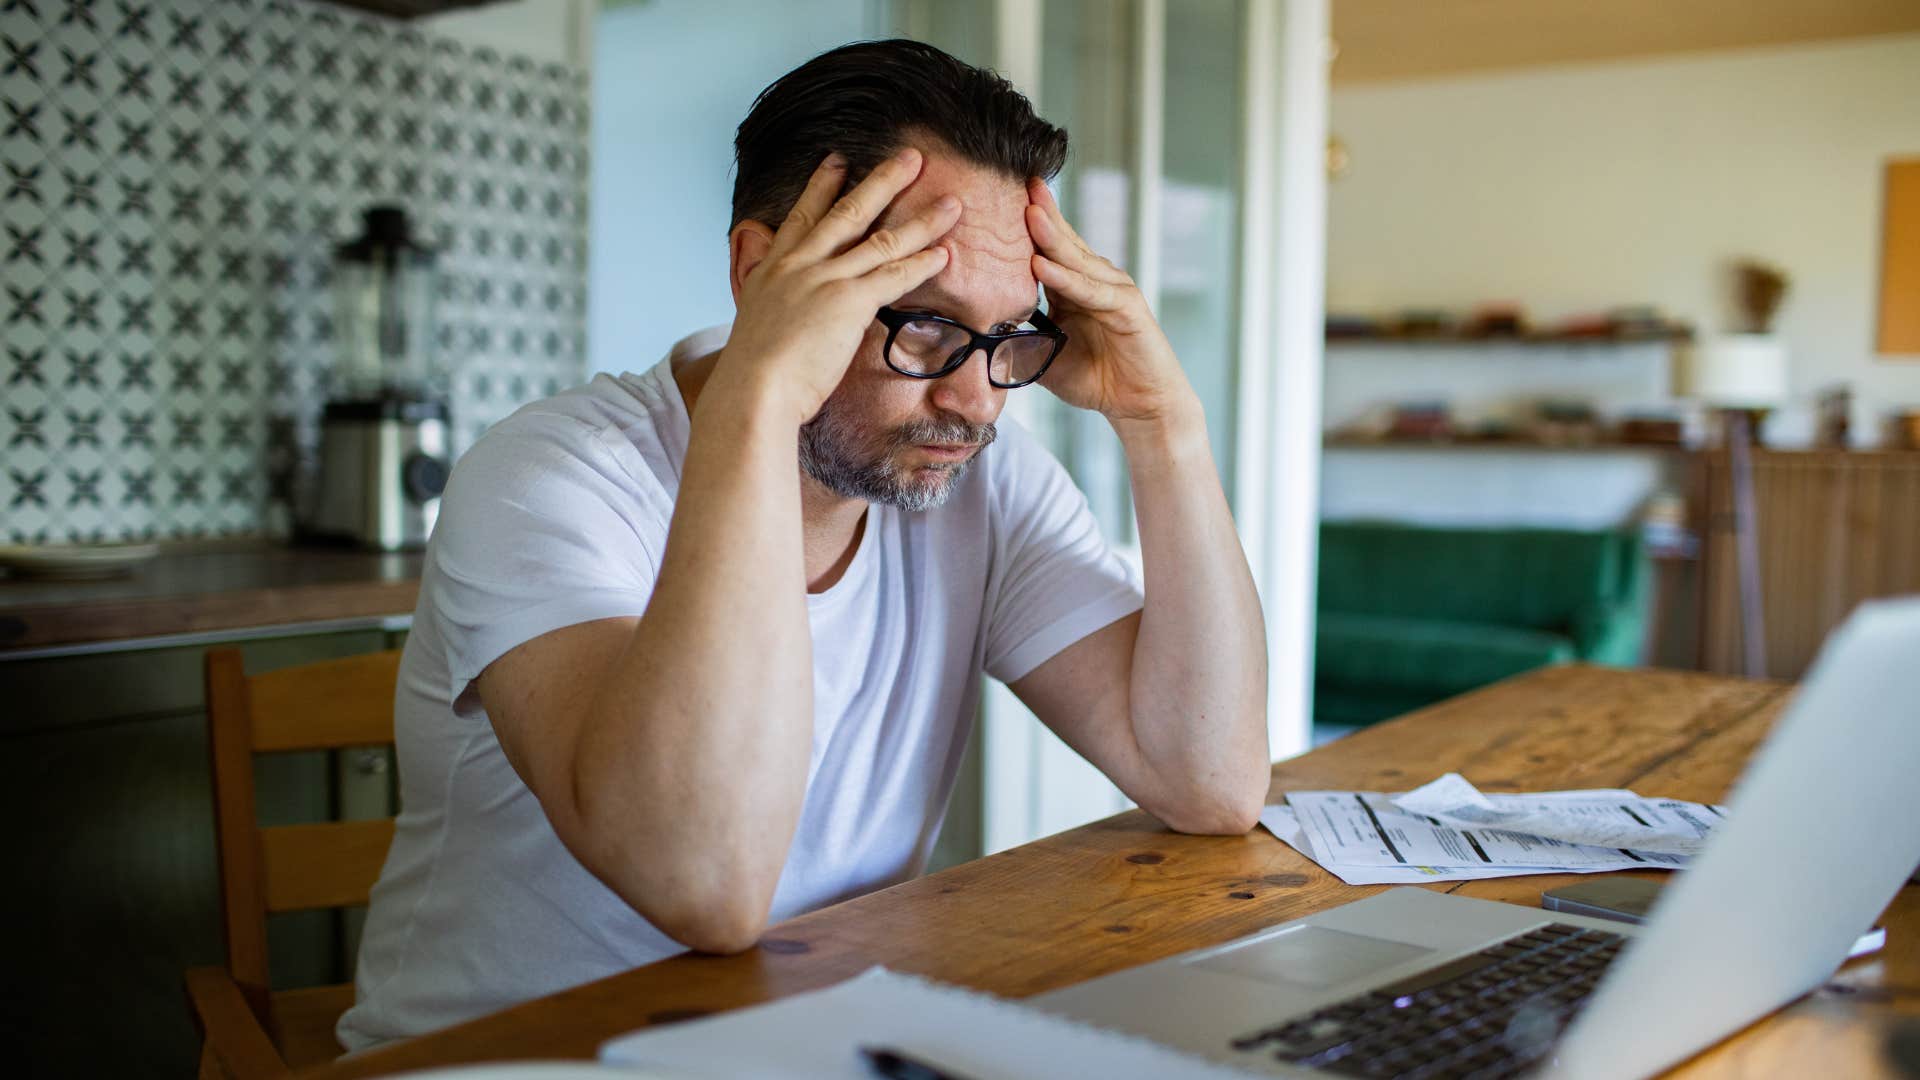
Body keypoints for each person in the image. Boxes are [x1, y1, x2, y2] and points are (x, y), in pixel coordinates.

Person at [337, 38, 1268, 1051]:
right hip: (515, 1061)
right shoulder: (548, 478)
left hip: (811, 1041)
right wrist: (760, 393)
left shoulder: (980, 483)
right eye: (921, 324)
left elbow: (1207, 778)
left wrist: (1162, 420)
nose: (973, 399)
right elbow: (708, 889)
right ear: (760, 271)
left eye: (1009, 337)